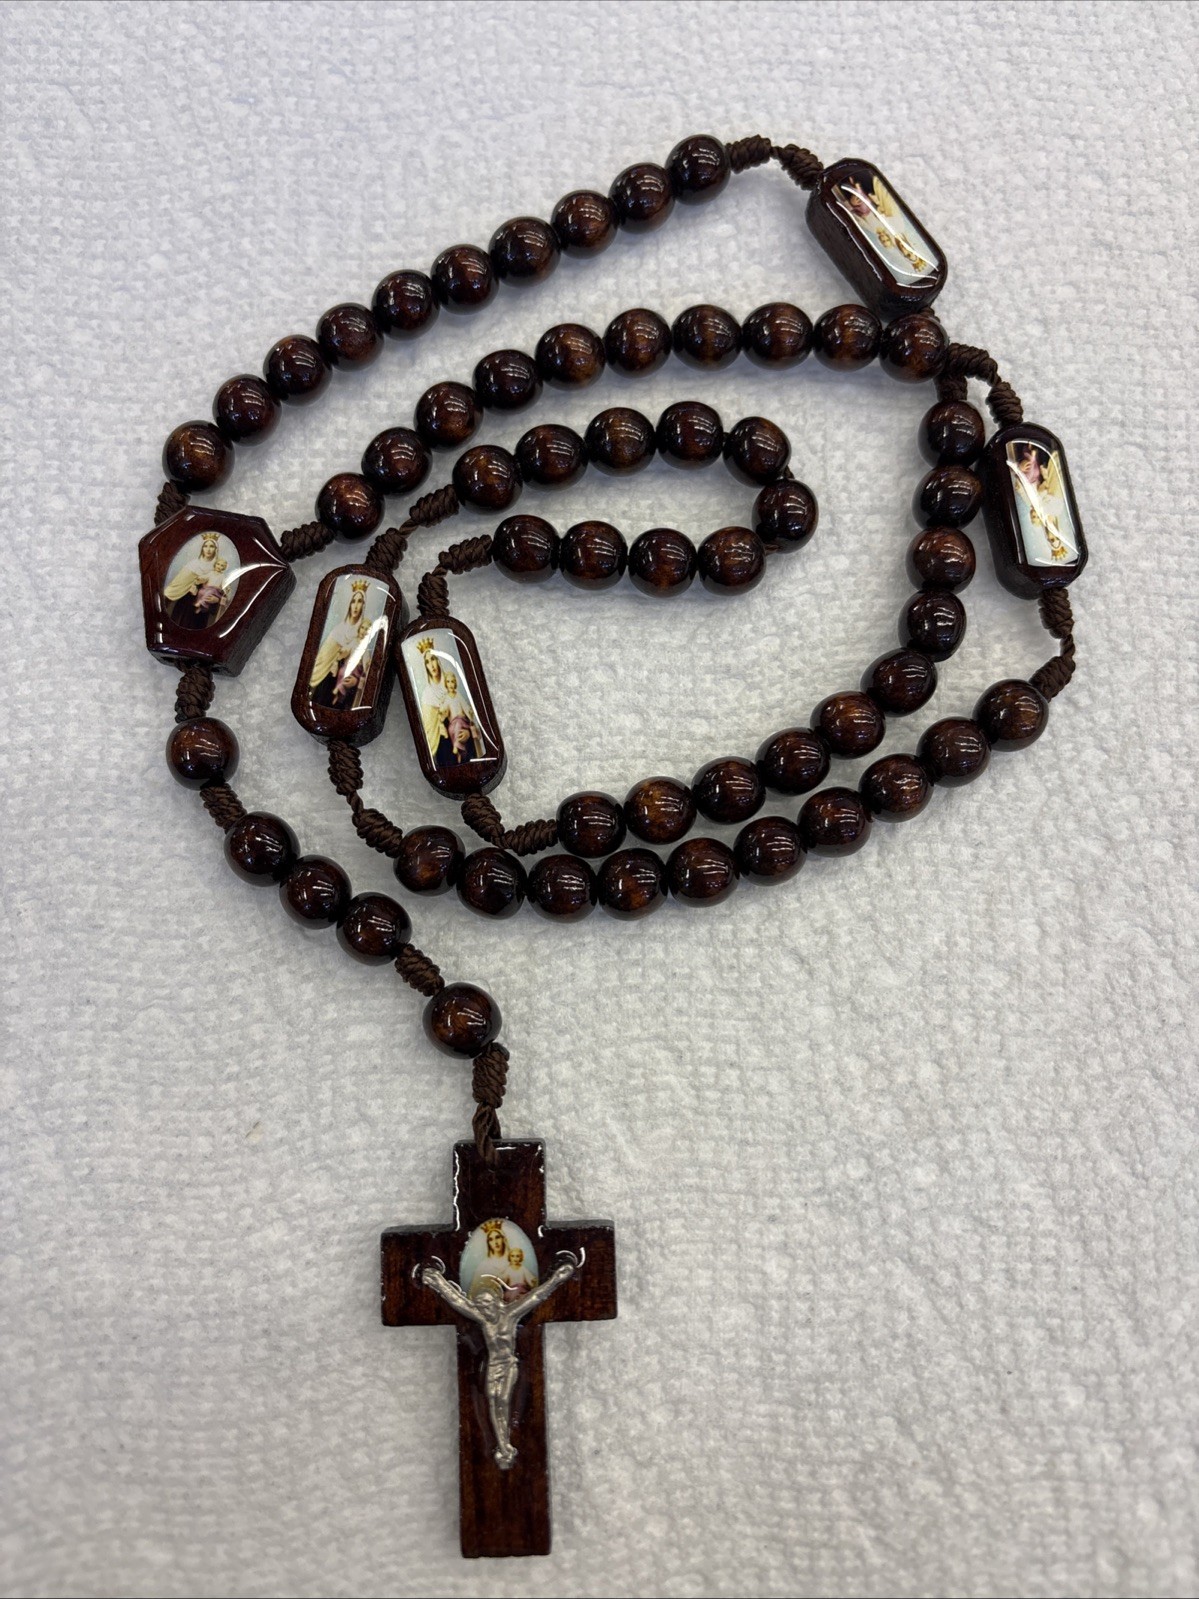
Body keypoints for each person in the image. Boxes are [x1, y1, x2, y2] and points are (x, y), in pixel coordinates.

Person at [421, 1253, 578, 1469]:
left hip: (508, 1364)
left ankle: (505, 1445)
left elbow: (536, 1296)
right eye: (480, 1306)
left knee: (503, 1399)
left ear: (496, 1302)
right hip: (493, 1365)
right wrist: (437, 1281)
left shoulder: (510, 1315)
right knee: (492, 1400)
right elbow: (458, 1301)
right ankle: (503, 1444)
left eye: (486, 1304)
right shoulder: (483, 1320)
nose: (483, 1309)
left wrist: (558, 1277)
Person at [310, 581, 374, 708]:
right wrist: (333, 661)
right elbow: (321, 661)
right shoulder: (338, 630)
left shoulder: (363, 635)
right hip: (326, 683)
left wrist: (356, 681)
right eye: (353, 601)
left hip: (347, 692)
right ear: (349, 605)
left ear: (363, 605)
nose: (356, 606)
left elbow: (365, 667)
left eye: (360, 601)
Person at [163, 533, 223, 629]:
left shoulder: (218, 568)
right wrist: (189, 589)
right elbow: (175, 586)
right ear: (202, 548)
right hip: (185, 606)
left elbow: (220, 591)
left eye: (211, 546)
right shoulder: (192, 565)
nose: (208, 549)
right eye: (205, 546)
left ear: (216, 549)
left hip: (201, 611)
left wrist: (216, 600)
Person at [442, 668, 484, 763]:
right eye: (448, 682)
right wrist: (442, 711)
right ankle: (458, 750)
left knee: (458, 725)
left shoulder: (458, 696)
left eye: (452, 682)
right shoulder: (446, 698)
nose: (450, 684)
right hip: (452, 722)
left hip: (461, 720)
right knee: (451, 730)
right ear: (445, 684)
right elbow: (443, 708)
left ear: (455, 683)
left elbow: (465, 706)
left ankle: (457, 745)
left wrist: (469, 713)